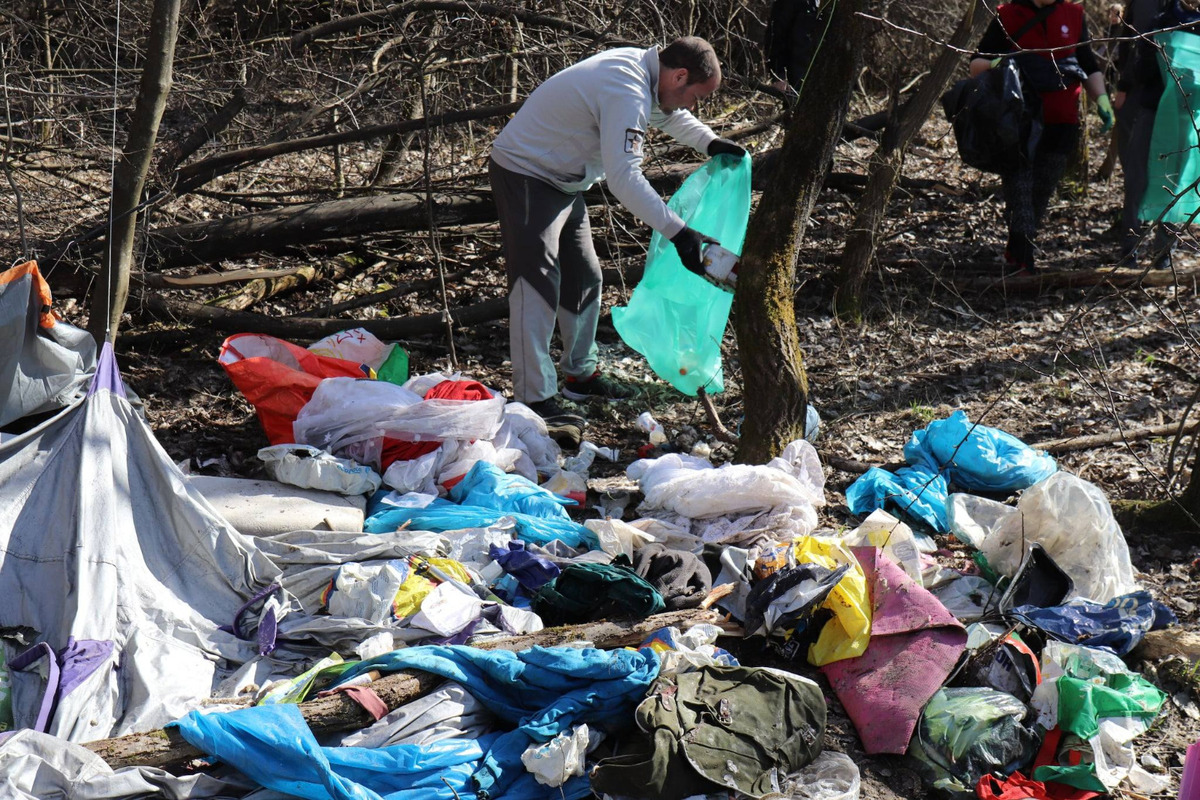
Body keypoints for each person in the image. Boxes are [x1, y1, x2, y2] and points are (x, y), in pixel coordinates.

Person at [488, 37, 745, 433]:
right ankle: (533, 399)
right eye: (696, 96)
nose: (693, 107)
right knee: (536, 283)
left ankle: (580, 376)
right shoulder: (626, 88)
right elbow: (624, 179)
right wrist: (681, 235)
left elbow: (668, 114)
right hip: (527, 174)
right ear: (679, 76)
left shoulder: (646, 76)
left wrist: (709, 142)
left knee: (585, 276)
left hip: (565, 182)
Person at [970, 0, 1114, 274]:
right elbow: (975, 63)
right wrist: (999, 63)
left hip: (1062, 122)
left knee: (1041, 193)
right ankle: (1025, 263)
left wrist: (1102, 99)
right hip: (1017, 122)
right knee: (1019, 190)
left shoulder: (1073, 14)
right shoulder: (1008, 14)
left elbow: (1087, 64)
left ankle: (1016, 253)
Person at [1113, 0, 1181, 268]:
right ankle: (1129, 250)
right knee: (1137, 176)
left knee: (1175, 179)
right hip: (1150, 105)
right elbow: (1137, 57)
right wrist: (1125, 84)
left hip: (1186, 112)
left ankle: (1164, 254)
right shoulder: (1157, 17)